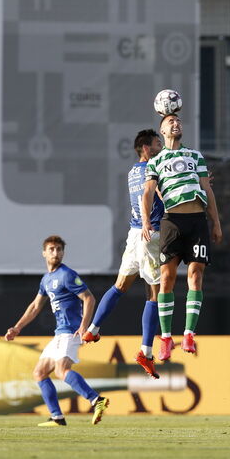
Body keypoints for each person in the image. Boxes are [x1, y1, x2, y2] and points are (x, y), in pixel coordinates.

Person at [82, 129, 165, 379]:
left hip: (134, 233)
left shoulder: (132, 171)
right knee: (155, 294)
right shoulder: (153, 169)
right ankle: (146, 352)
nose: (161, 146)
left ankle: (93, 329)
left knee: (120, 285)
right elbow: (153, 196)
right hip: (151, 234)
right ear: (147, 148)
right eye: (158, 143)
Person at [140, 113, 223, 360]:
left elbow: (207, 188)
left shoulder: (194, 156)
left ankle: (188, 334)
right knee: (167, 277)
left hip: (197, 220)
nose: (176, 124)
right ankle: (166, 338)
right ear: (162, 131)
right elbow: (148, 193)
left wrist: (216, 222)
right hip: (172, 221)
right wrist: (146, 221)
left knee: (196, 274)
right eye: (170, 122)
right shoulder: (155, 161)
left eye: (178, 122)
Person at [4, 235, 110, 427]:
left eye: (59, 249)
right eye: (52, 249)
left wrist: (84, 325)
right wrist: (17, 327)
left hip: (71, 332)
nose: (56, 253)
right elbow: (35, 307)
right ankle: (57, 417)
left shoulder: (67, 275)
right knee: (39, 373)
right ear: (44, 252)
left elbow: (89, 299)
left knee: (62, 371)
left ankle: (96, 400)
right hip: (59, 333)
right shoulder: (46, 279)